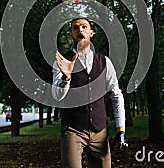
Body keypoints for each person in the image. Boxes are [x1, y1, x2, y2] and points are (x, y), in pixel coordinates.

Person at [51, 18, 128, 168]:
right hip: (73, 129)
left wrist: (121, 130)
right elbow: (57, 96)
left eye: (84, 27)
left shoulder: (105, 62)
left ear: (91, 33)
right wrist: (66, 77)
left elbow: (116, 96)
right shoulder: (61, 61)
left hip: (100, 130)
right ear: (71, 35)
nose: (80, 30)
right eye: (75, 28)